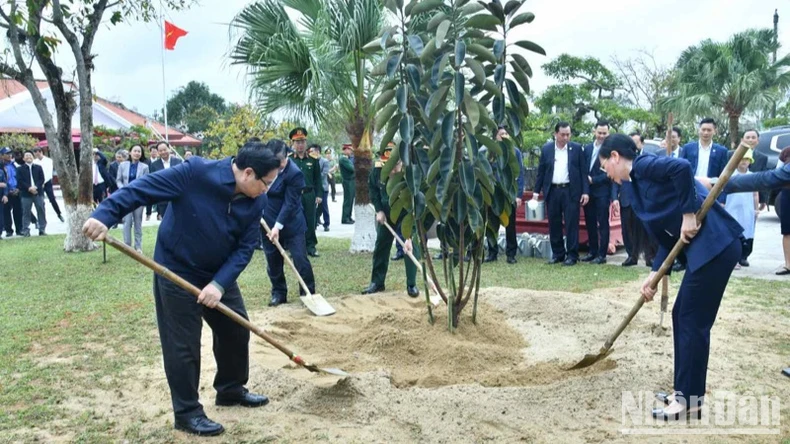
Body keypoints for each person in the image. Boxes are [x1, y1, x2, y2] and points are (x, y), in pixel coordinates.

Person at [82, 141, 278, 437]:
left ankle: (230, 388)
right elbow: (141, 189)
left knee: (236, 330)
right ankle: (187, 412)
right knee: (183, 344)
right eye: (267, 183)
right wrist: (104, 215)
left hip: (217, 274)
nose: (268, 190)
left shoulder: (257, 200)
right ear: (248, 173)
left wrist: (219, 284)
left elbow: (245, 247)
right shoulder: (195, 174)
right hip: (176, 270)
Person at [599, 133, 743, 421]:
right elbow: (667, 235)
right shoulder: (636, 187)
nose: (606, 173)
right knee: (683, 316)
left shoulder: (644, 166)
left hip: (716, 245)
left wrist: (689, 214)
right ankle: (686, 394)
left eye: (605, 166)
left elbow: (682, 169)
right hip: (707, 252)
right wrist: (654, 274)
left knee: (691, 320)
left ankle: (688, 401)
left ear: (615, 157)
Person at [261, 139, 317, 307]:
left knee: (300, 258)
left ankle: (308, 292)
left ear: (286, 155)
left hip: (292, 224)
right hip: (267, 223)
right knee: (273, 260)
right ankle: (279, 293)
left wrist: (278, 226)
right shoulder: (262, 168)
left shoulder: (294, 173)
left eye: (280, 160)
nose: (278, 164)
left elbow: (290, 203)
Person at [362, 143, 420, 297]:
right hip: (386, 215)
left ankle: (411, 285)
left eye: (396, 165)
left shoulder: (410, 175)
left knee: (411, 247)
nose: (392, 170)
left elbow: (415, 205)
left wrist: (408, 236)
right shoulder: (377, 171)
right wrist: (379, 210)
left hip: (406, 215)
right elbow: (373, 190)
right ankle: (377, 282)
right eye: (388, 166)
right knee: (381, 245)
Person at [533, 121, 589, 266]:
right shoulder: (547, 149)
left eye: (568, 134)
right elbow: (541, 172)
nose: (565, 137)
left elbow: (583, 172)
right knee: (554, 223)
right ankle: (558, 254)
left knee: (571, 223)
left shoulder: (576, 149)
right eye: (563, 134)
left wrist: (585, 192)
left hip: (570, 191)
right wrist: (535, 192)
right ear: (555, 134)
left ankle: (572, 255)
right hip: (552, 191)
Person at [484, 126, 525, 264]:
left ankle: (511, 254)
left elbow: (520, 175)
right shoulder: (490, 152)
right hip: (493, 194)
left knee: (510, 225)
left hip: (509, 194)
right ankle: (492, 252)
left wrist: (518, 195)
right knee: (491, 224)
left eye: (507, 133)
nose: (505, 136)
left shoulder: (515, 152)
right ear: (495, 136)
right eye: (501, 134)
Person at [581, 121, 617, 264]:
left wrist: (592, 180)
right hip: (587, 192)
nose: (602, 135)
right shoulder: (588, 148)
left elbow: (610, 174)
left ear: (608, 133)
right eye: (599, 132)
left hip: (602, 192)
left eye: (604, 133)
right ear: (594, 132)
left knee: (602, 223)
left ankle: (602, 255)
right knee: (589, 222)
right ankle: (592, 251)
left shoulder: (611, 152)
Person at [288, 128, 322, 257]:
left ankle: (311, 246)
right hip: (294, 195)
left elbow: (318, 179)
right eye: (297, 142)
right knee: (294, 221)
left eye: (302, 142)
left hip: (309, 194)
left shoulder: (313, 160)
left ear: (306, 143)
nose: (300, 145)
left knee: (310, 221)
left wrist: (319, 195)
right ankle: (296, 248)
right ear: (293, 144)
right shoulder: (289, 160)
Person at [723, 150, 759, 269]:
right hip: (732, 208)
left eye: (746, 159)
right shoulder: (730, 175)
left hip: (747, 209)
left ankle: (743, 257)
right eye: (741, 159)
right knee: (732, 233)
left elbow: (755, 194)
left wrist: (756, 208)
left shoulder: (752, 175)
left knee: (746, 232)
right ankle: (733, 259)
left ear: (750, 161)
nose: (744, 162)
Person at [116, 145, 149, 253]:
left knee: (138, 222)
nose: (137, 153)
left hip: (138, 198)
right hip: (126, 197)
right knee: (127, 222)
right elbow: (118, 180)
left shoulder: (144, 167)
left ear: (141, 154)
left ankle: (138, 247)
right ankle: (127, 246)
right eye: (135, 151)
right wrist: (124, 189)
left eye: (139, 151)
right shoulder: (122, 165)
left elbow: (146, 183)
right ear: (130, 152)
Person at [149, 142, 183, 219]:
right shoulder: (154, 165)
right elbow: (154, 181)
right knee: (166, 221)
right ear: (158, 152)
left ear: (169, 149)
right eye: (160, 151)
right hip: (163, 197)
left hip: (177, 195)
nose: (163, 152)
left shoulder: (178, 162)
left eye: (165, 149)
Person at [33, 147, 64, 222]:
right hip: (39, 183)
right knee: (40, 201)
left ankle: (59, 214)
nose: (36, 155)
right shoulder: (35, 162)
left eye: (37, 153)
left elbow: (48, 173)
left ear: (40, 152)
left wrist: (43, 182)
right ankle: (42, 218)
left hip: (47, 182)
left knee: (52, 199)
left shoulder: (48, 161)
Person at [2, 147, 22, 236]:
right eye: (7, 154)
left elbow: (19, 177)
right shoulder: (1, 166)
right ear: (2, 155)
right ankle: (8, 230)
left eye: (10, 153)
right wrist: (7, 191)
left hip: (16, 190)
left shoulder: (15, 165)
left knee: (18, 211)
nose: (9, 155)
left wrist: (18, 188)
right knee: (6, 212)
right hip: (5, 192)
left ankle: (19, 229)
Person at [312, 144, 331, 232]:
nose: (311, 153)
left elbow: (324, 174)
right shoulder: (311, 161)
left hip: (323, 187)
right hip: (313, 188)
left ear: (317, 152)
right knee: (314, 207)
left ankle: (326, 224)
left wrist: (315, 177)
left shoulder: (325, 161)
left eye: (312, 151)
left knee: (323, 206)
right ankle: (314, 223)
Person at [339, 143, 355, 224]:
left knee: (351, 199)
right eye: (350, 150)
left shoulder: (348, 159)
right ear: (345, 150)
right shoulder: (343, 159)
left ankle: (348, 216)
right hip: (348, 181)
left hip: (351, 181)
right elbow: (352, 169)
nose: (351, 152)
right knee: (348, 200)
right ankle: (345, 218)